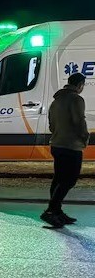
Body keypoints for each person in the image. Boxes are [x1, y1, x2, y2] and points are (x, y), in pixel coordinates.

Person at [41, 73, 89, 228]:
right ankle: (51, 210)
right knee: (69, 179)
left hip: (57, 144)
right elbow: (79, 121)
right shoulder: (76, 99)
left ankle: (57, 211)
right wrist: (85, 138)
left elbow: (51, 125)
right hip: (71, 145)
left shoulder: (56, 100)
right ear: (80, 84)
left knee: (59, 178)